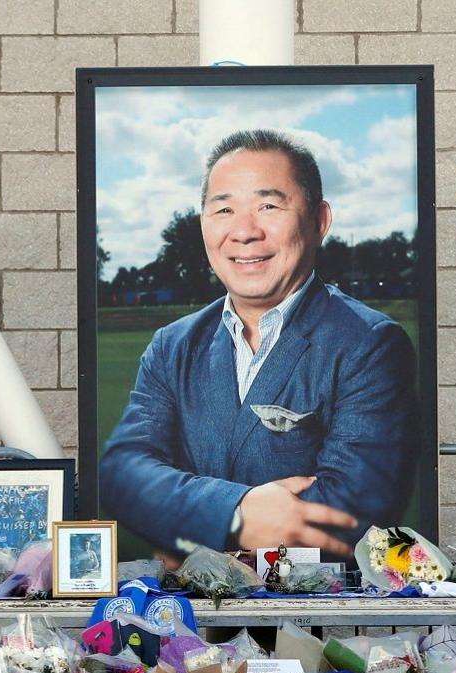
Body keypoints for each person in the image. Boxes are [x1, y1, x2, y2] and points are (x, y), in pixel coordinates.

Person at [97, 129, 419, 557]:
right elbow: (123, 475)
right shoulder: (172, 345)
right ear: (203, 225)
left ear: (319, 220)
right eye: (224, 209)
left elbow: (351, 512)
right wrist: (237, 512)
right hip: (187, 615)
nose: (244, 231)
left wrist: (180, 524)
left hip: (312, 614)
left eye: (268, 205)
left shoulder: (370, 344)